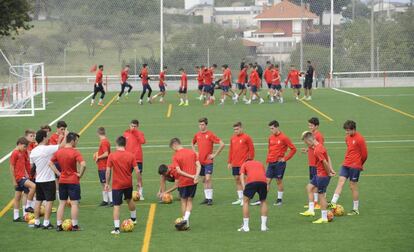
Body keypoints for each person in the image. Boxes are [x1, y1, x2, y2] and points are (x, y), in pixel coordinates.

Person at [330, 120, 368, 215]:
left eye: (348, 130)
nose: (346, 132)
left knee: (352, 186)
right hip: (346, 164)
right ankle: (332, 204)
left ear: (353, 129)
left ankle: (355, 209)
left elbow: (364, 155)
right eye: (345, 130)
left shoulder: (360, 139)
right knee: (340, 183)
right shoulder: (347, 138)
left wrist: (359, 164)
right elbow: (349, 149)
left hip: (355, 166)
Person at [30, 130, 66, 229]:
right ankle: (46, 223)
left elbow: (32, 165)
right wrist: (66, 135)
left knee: (38, 201)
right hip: (48, 180)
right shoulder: (46, 149)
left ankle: (37, 222)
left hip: (39, 180)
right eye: (47, 136)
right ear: (43, 138)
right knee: (49, 201)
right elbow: (61, 146)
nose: (48, 138)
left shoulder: (33, 151)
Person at [51, 132, 86, 232]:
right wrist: (80, 175)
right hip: (73, 181)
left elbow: (50, 163)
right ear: (72, 140)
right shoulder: (75, 152)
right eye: (76, 140)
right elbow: (83, 164)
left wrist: (58, 173)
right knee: (74, 204)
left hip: (62, 181)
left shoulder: (59, 152)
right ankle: (74, 226)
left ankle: (58, 225)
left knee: (62, 203)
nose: (77, 142)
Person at [105, 136, 140, 235]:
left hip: (117, 185)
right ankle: (133, 219)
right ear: (125, 144)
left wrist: (107, 183)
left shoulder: (112, 156)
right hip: (128, 183)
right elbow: (137, 170)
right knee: (129, 199)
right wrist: (139, 182)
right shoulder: (131, 155)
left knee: (116, 206)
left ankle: (116, 229)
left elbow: (108, 171)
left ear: (116, 144)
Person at [300, 131, 336, 224]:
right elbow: (328, 157)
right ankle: (311, 210)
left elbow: (324, 162)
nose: (306, 144)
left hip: (322, 175)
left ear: (309, 140)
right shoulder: (318, 146)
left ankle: (324, 218)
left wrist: (329, 173)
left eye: (306, 142)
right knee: (309, 187)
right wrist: (331, 169)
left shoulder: (317, 150)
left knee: (321, 196)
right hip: (319, 174)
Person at [191, 118, 225, 205]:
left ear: (206, 125)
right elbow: (192, 143)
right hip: (200, 162)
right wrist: (195, 152)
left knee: (208, 178)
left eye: (202, 124)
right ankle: (206, 198)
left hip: (208, 161)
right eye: (200, 124)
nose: (201, 126)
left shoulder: (210, 134)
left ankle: (210, 199)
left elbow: (222, 144)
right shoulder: (197, 135)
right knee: (204, 180)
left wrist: (214, 155)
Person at [170, 138, 201, 231]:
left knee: (183, 201)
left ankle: (185, 223)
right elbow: (199, 165)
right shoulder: (192, 152)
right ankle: (186, 221)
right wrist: (196, 176)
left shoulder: (175, 156)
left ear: (175, 145)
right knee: (190, 201)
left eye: (172, 148)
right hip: (193, 182)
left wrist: (192, 176)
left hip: (183, 182)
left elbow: (178, 171)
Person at [265, 120, 297, 206]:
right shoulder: (270, 138)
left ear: (277, 127)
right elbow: (270, 150)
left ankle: (279, 200)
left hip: (279, 163)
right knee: (266, 181)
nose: (271, 130)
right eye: (270, 129)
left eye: (272, 128)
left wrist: (285, 158)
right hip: (271, 163)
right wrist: (268, 160)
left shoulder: (284, 138)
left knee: (278, 181)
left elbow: (293, 149)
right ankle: (262, 199)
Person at [228, 122, 255, 205]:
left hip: (244, 164)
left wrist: (250, 160)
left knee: (244, 180)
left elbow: (252, 150)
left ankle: (245, 198)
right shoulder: (232, 138)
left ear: (241, 128)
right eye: (234, 129)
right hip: (235, 163)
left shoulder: (247, 137)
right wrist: (229, 161)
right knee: (237, 180)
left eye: (237, 129)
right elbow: (231, 150)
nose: (236, 131)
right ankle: (240, 198)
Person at [10, 137, 36, 222]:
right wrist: (14, 180)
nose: (25, 148)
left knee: (18, 196)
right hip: (19, 178)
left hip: (22, 177)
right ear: (19, 144)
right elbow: (12, 167)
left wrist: (27, 174)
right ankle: (28, 206)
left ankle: (16, 216)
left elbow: (25, 164)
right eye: (24, 146)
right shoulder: (15, 153)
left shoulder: (22, 152)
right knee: (33, 186)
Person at [238, 159, 269, 232]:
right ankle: (263, 226)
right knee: (263, 201)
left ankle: (245, 227)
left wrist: (243, 186)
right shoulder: (260, 163)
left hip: (252, 181)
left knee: (245, 201)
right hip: (263, 182)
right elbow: (264, 175)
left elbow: (241, 176)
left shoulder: (244, 164)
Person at [302, 117, 324, 210]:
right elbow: (313, 147)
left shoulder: (319, 136)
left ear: (316, 126)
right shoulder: (311, 135)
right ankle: (314, 202)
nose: (309, 127)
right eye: (309, 125)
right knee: (313, 182)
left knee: (315, 184)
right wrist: (307, 150)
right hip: (311, 163)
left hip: (316, 164)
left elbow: (320, 148)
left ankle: (316, 203)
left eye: (311, 125)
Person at [123, 119, 145, 199]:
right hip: (127, 158)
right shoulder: (125, 133)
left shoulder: (140, 133)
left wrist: (136, 133)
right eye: (132, 126)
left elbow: (143, 141)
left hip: (137, 158)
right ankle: (127, 193)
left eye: (135, 126)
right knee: (126, 176)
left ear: (137, 127)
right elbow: (123, 145)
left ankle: (140, 193)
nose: (133, 128)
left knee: (139, 176)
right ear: (129, 125)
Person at [94, 127, 112, 206]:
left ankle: (112, 201)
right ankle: (105, 200)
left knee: (106, 183)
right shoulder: (105, 141)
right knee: (103, 183)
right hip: (101, 166)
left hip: (104, 166)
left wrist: (98, 157)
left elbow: (106, 153)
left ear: (98, 133)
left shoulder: (104, 142)